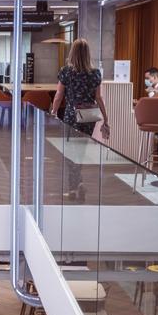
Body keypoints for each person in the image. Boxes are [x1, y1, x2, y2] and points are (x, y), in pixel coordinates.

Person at [50, 38, 110, 201]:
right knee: (80, 152)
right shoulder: (95, 73)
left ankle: (74, 187)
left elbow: (59, 94)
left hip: (71, 116)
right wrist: (105, 118)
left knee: (70, 153)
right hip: (88, 118)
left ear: (73, 53)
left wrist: (53, 111)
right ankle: (78, 183)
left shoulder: (66, 72)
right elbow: (99, 98)